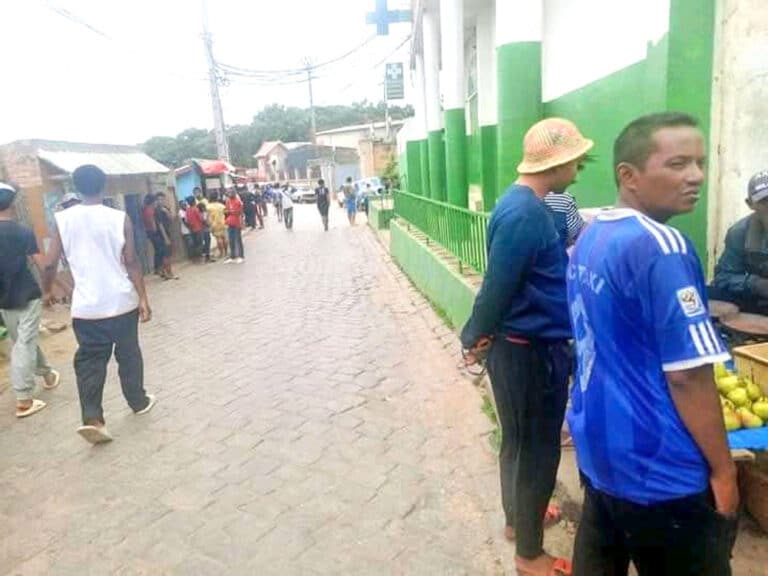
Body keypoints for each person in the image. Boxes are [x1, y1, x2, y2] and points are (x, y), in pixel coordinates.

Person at [567, 113, 737, 575]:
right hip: (661, 469)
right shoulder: (663, 247)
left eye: (700, 163)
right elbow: (687, 374)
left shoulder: (590, 235)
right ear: (629, 176)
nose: (696, 176)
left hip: (601, 450)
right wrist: (724, 471)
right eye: (679, 163)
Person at [461, 118, 593, 576]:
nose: (578, 168)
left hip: (522, 347)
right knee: (537, 449)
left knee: (518, 442)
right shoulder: (526, 214)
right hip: (528, 352)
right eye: (575, 159)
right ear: (556, 163)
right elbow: (497, 286)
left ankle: (521, 521)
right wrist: (472, 337)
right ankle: (530, 556)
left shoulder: (523, 205)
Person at [43, 165, 156, 444]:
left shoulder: (62, 220)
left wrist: (48, 290)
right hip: (122, 302)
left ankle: (93, 419)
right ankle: (138, 401)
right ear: (103, 186)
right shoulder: (120, 218)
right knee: (128, 353)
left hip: (87, 309)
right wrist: (143, 297)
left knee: (90, 362)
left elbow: (49, 263)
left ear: (76, 186)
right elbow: (130, 261)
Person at [0, 183, 61, 418]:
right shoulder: (23, 232)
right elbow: (42, 263)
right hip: (27, 294)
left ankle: (47, 374)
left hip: (4, 299)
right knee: (23, 343)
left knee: (24, 340)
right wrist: (48, 290)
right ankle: (24, 398)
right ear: (13, 203)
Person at [711, 169, 768, 314]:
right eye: (765, 201)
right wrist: (756, 284)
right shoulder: (740, 232)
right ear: (750, 204)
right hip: (757, 301)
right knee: (707, 294)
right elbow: (723, 278)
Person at [154, 192, 178, 280]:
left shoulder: (164, 210)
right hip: (161, 236)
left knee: (167, 255)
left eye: (162, 199)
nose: (160, 201)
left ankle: (165, 273)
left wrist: (167, 211)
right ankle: (169, 273)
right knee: (166, 255)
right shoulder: (157, 211)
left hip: (167, 233)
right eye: (158, 199)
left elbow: (171, 218)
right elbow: (160, 225)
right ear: (156, 201)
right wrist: (166, 238)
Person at [142, 193, 164, 276]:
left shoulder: (145, 209)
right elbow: (152, 223)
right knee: (160, 250)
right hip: (153, 232)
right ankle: (158, 268)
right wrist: (156, 231)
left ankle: (158, 268)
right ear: (152, 201)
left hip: (148, 232)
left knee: (158, 250)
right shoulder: (150, 210)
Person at [224, 189, 244, 263]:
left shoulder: (238, 202)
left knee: (238, 240)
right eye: (229, 193)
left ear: (235, 193)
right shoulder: (228, 201)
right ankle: (232, 256)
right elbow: (226, 210)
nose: (230, 194)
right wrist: (229, 212)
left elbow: (240, 213)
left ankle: (241, 256)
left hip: (237, 223)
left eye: (231, 193)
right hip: (230, 223)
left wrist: (242, 223)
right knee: (231, 240)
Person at [207, 192, 228, 260]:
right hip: (223, 222)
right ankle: (226, 252)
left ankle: (221, 253)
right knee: (224, 237)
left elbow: (207, 217)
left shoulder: (208, 207)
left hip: (214, 224)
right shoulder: (221, 205)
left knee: (218, 238)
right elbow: (226, 212)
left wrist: (209, 224)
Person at [185, 196, 205, 262]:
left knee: (194, 244)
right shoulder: (196, 209)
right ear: (194, 201)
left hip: (192, 229)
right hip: (199, 228)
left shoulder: (187, 210)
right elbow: (201, 219)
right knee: (200, 244)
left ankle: (195, 258)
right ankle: (199, 258)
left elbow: (187, 221)